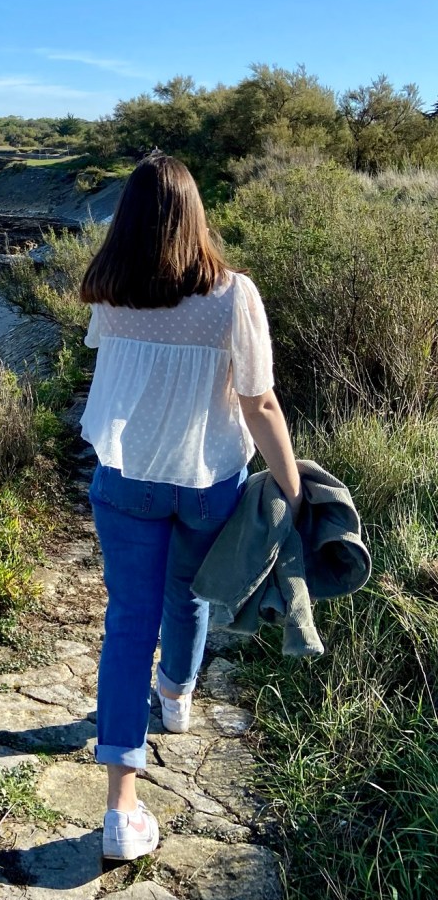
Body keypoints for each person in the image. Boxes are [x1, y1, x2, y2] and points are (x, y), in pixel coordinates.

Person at [79, 154, 301, 862]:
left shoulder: (108, 292)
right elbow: (259, 402)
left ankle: (121, 808)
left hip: (125, 479)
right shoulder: (234, 296)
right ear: (195, 216)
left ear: (129, 220)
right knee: (189, 596)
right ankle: (175, 695)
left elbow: (116, 374)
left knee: (126, 623)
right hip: (208, 481)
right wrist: (296, 490)